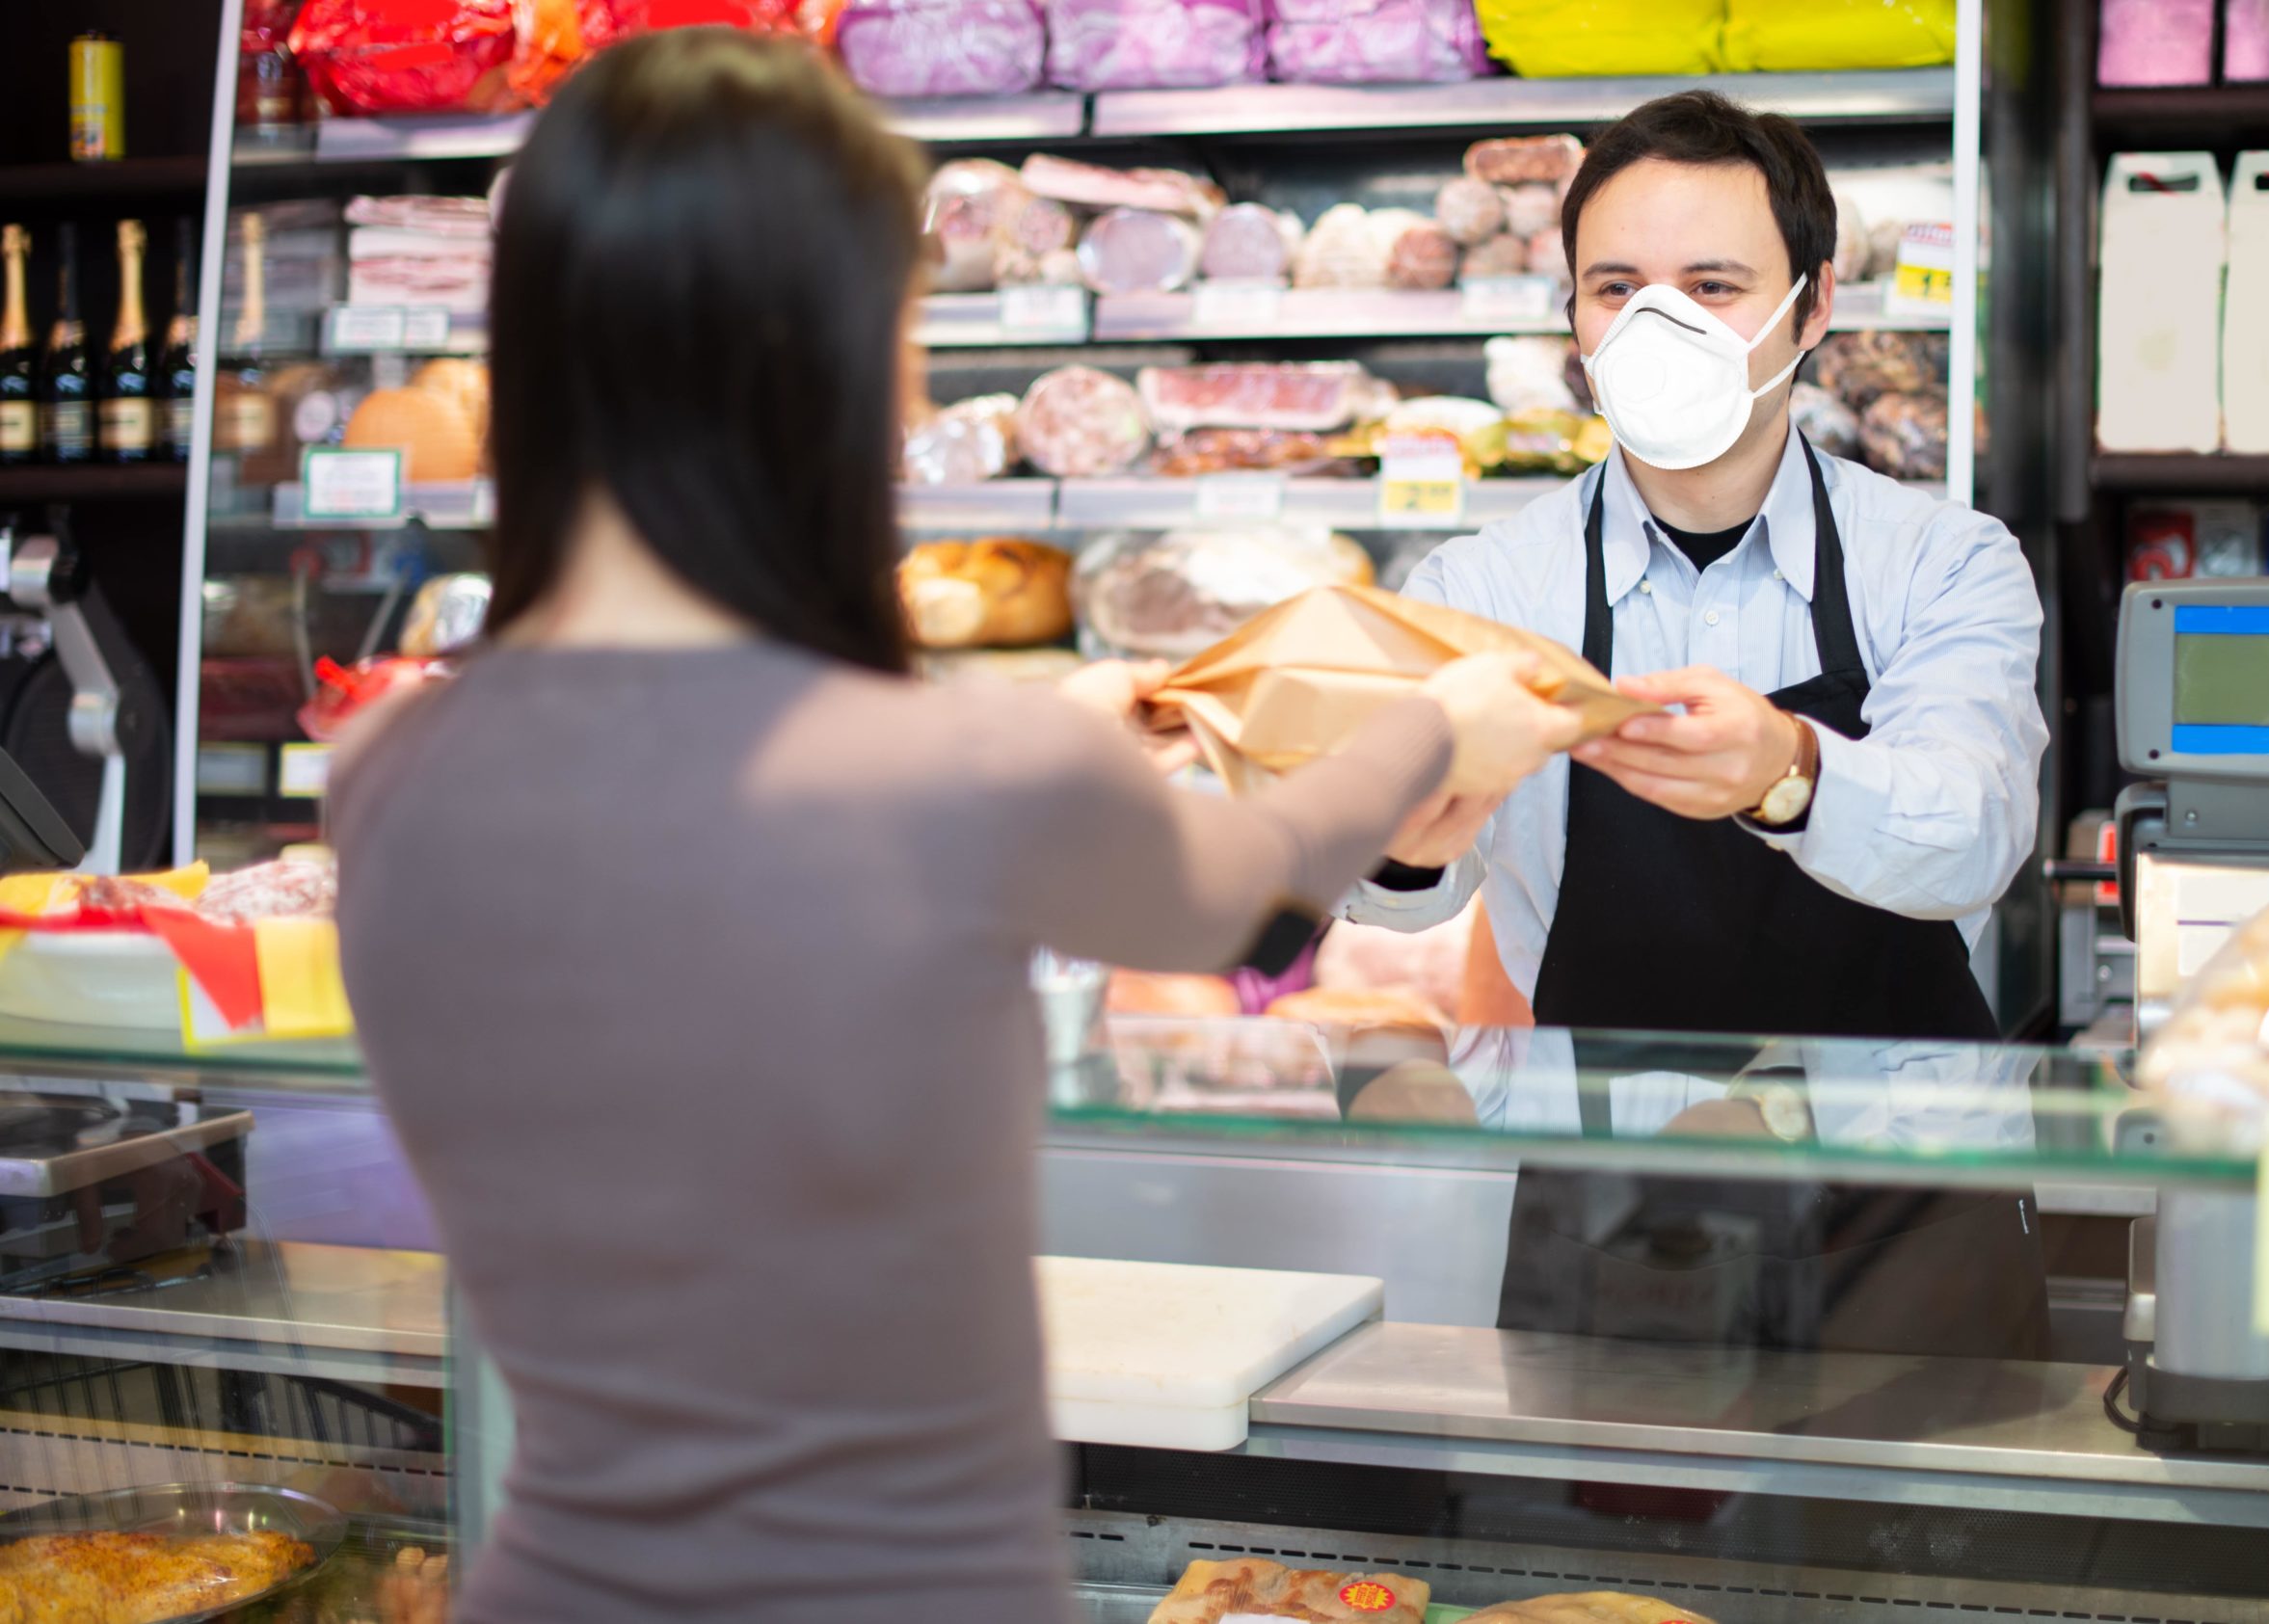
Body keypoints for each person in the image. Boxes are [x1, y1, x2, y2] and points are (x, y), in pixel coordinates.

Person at [328, 30, 1577, 1624]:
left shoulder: (388, 767)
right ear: (817, 359)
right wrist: (1436, 724)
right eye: (905, 331)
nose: (914, 387)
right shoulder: (953, 779)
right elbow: (1257, 898)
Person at [1343, 92, 2051, 1358]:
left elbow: (1977, 832)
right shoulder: (1483, 587)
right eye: (1617, 287)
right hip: (1606, 1205)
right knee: (1596, 1561)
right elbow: (1400, 899)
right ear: (1572, 313)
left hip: (1899, 1213)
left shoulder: (1943, 562)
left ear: (1815, 303)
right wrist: (1397, 834)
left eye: (1712, 284)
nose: (1657, 323)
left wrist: (1790, 772)